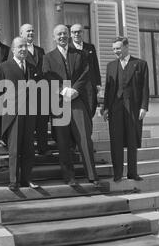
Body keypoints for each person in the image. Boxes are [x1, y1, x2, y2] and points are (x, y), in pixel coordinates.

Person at [43, 24, 99, 186]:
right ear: (54, 37)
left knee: (84, 138)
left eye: (65, 34)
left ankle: (92, 175)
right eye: (59, 34)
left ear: (69, 36)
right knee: (63, 140)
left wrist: (75, 90)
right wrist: (62, 91)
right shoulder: (48, 57)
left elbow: (86, 73)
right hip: (59, 103)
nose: (62, 36)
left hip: (77, 100)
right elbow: (47, 77)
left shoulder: (80, 54)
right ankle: (69, 177)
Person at [0, 37, 39, 191]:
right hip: (12, 114)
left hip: (30, 113)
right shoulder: (3, 67)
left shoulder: (33, 67)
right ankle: (13, 181)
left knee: (28, 149)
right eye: (20, 46)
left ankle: (27, 179)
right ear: (13, 49)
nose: (23, 49)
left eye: (25, 46)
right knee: (14, 150)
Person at [103, 36, 149, 182]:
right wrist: (105, 108)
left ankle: (132, 173)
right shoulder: (110, 66)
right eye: (114, 49)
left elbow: (145, 88)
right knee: (116, 141)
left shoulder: (140, 64)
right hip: (115, 107)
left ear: (126, 47)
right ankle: (118, 174)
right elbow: (108, 89)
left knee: (132, 140)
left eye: (118, 48)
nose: (116, 51)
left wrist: (144, 107)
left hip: (133, 108)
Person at [9, 23, 50, 155]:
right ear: (21, 34)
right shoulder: (16, 51)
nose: (31, 33)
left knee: (42, 122)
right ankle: (27, 149)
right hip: (25, 95)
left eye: (32, 31)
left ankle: (43, 148)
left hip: (40, 92)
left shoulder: (40, 50)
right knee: (28, 125)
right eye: (28, 31)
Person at [69, 23, 101, 119]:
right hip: (75, 86)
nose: (76, 34)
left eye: (79, 32)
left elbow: (95, 65)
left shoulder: (90, 47)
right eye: (74, 32)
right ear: (71, 34)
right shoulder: (68, 48)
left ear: (83, 33)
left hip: (89, 86)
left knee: (90, 111)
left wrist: (98, 83)